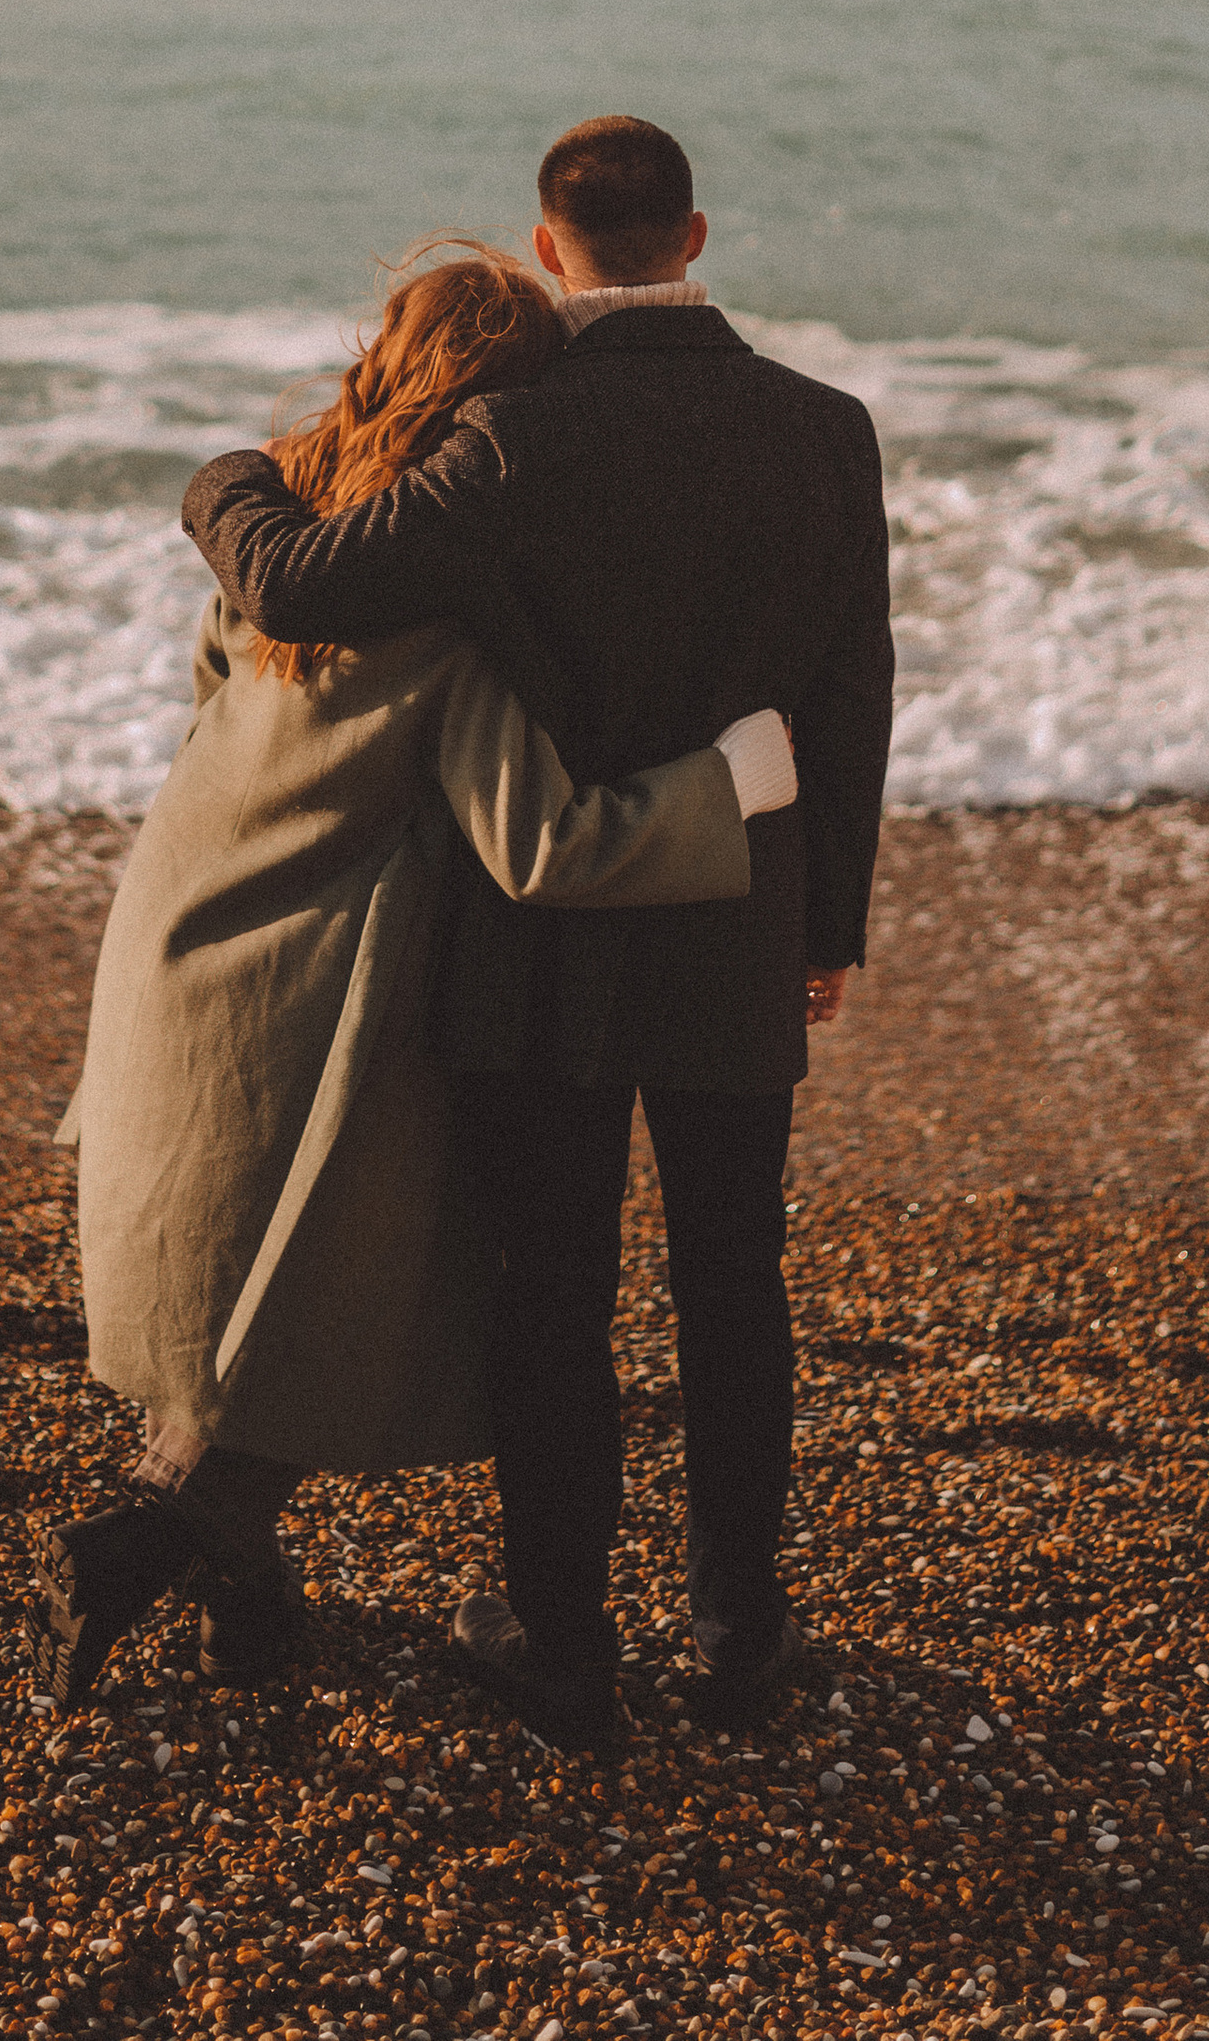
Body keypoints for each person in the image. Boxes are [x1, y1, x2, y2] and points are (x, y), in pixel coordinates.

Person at [183, 115, 895, 1746]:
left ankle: (563, 1643)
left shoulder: (505, 438)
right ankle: (740, 1636)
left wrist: (221, 477)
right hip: (740, 913)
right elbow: (855, 690)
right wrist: (831, 919)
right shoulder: (827, 431)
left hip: (546, 930)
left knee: (552, 1288)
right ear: (695, 239)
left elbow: (295, 587)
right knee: (736, 1277)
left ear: (553, 246)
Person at [34, 241, 801, 1712]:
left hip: (179, 939)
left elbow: (216, 720)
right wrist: (730, 781)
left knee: (234, 1281)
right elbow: (547, 845)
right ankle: (151, 1538)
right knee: (329, 1278)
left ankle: (236, 1588)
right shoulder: (452, 619)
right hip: (317, 990)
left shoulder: (282, 532)